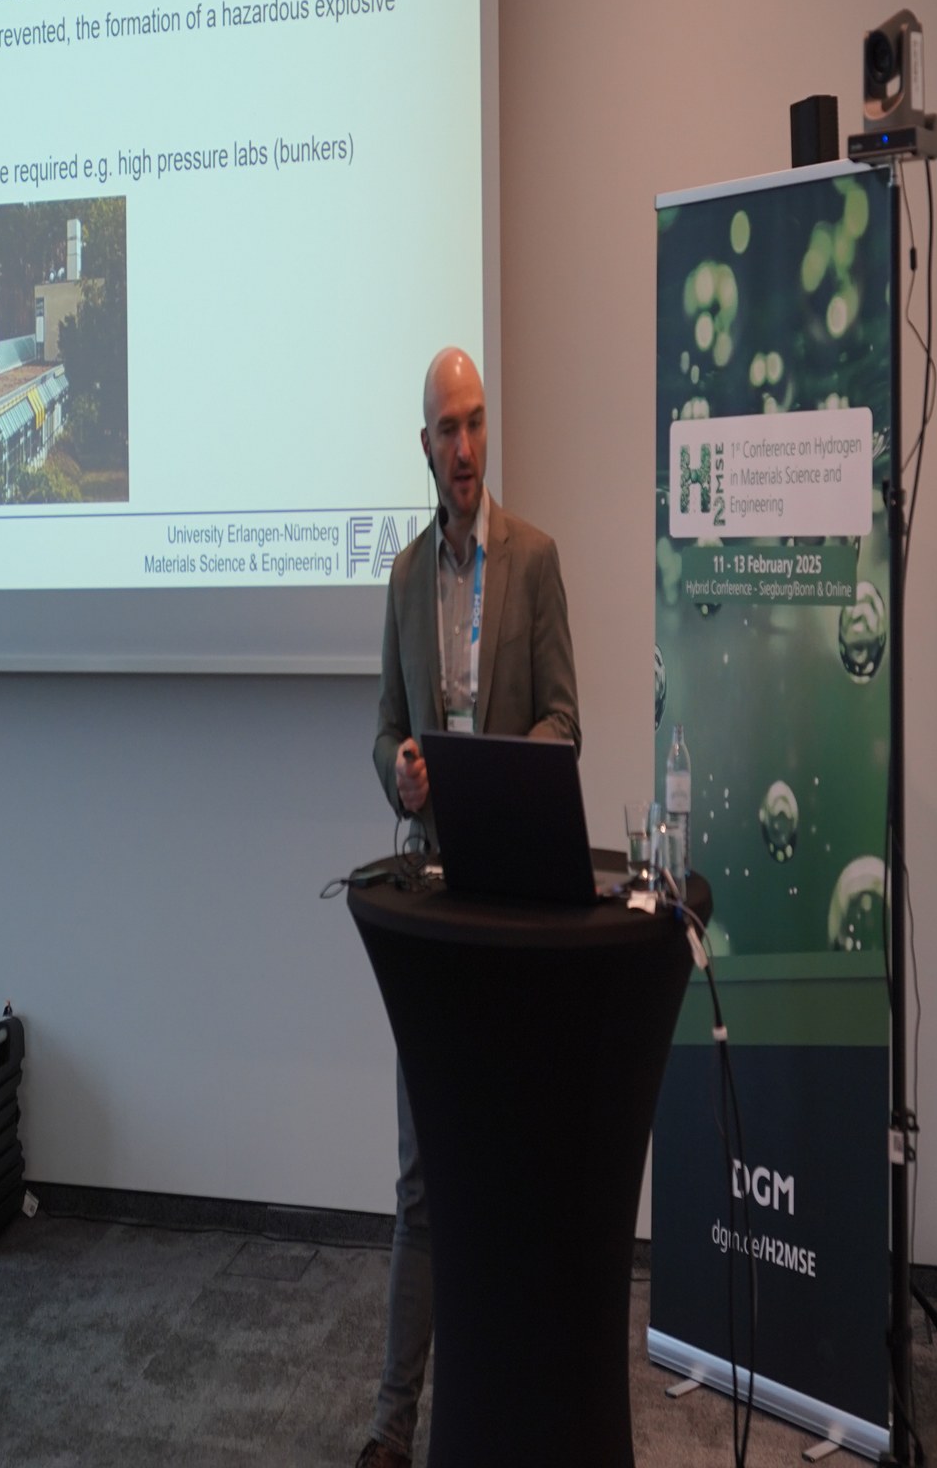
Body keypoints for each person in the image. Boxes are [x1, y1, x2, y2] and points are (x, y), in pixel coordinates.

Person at [358, 345, 580, 1468]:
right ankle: (393, 1425)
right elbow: (384, 729)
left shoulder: (533, 561)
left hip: (519, 906)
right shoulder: (404, 578)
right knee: (420, 1181)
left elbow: (565, 721)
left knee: (513, 1172)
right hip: (432, 906)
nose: (464, 445)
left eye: (476, 422)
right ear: (425, 444)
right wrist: (401, 771)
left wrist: (498, 770)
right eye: (447, 427)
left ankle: (512, 1417)